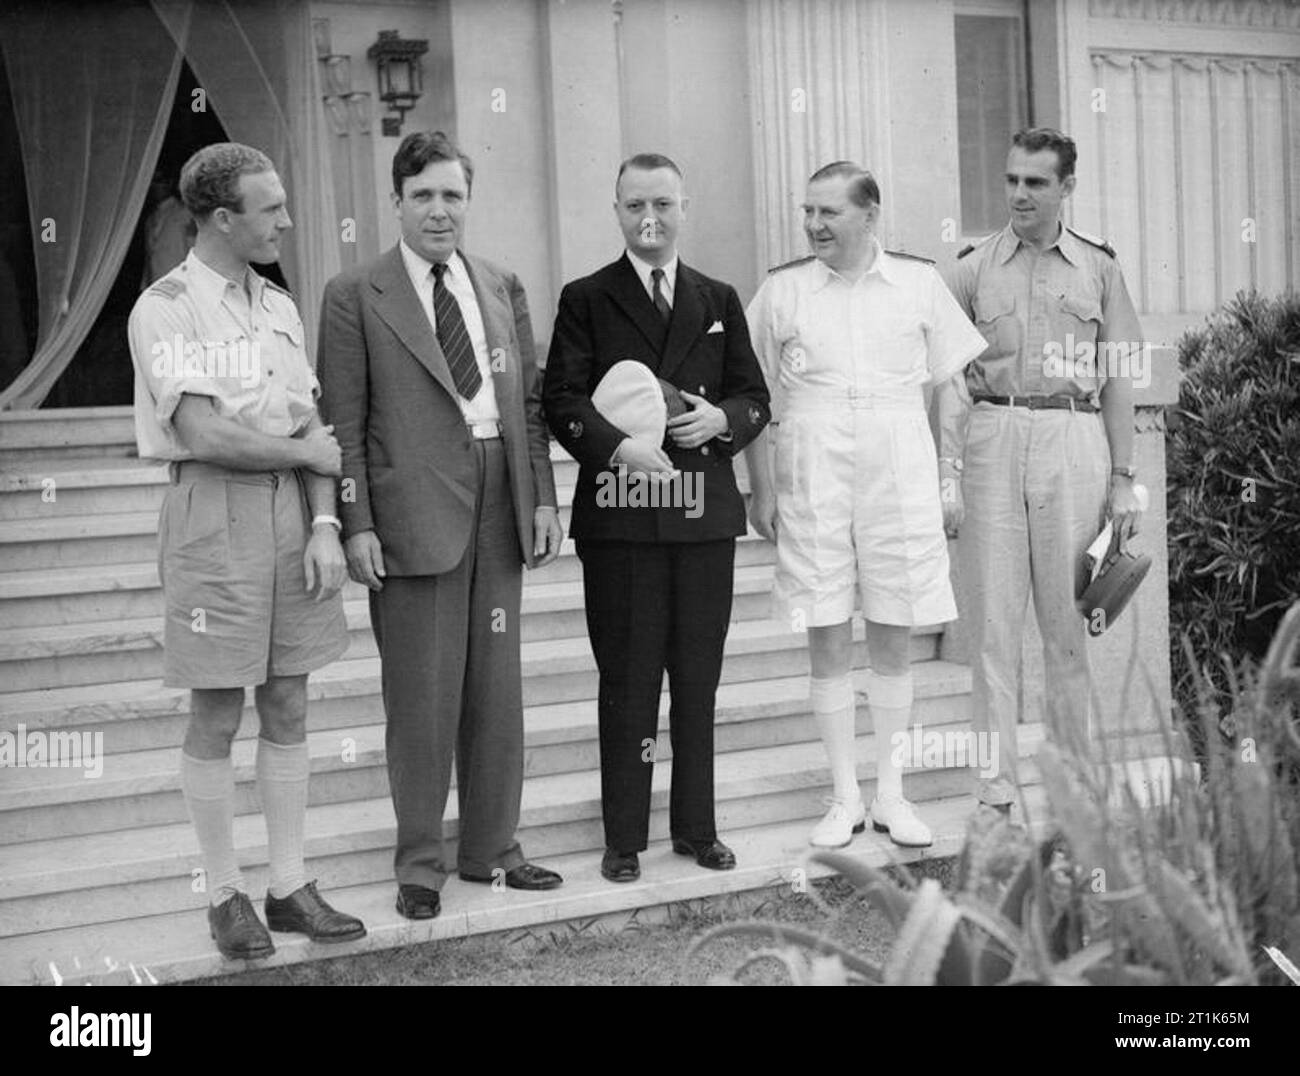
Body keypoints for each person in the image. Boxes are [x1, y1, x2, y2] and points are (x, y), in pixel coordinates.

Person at [317, 131, 564, 921]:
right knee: (421, 696)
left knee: (498, 690)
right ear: (396, 202)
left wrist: (544, 499)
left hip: (500, 497)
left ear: (468, 201)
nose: (439, 210)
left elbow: (526, 402)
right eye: (422, 195)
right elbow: (343, 419)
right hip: (410, 509)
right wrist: (354, 519)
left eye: (452, 194)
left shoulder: (499, 283)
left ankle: (494, 849)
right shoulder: (356, 292)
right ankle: (420, 864)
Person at [127, 142, 364, 960]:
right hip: (211, 512)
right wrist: (311, 463)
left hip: (293, 514)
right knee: (219, 707)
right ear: (222, 218)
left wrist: (327, 524)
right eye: (271, 209)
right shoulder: (166, 307)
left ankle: (290, 885)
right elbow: (203, 432)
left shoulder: (281, 307)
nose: (287, 222)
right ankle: (225, 894)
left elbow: (307, 425)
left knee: (291, 700)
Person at [745, 161, 987, 849]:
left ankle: (892, 793)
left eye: (830, 212)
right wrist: (759, 486)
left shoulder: (917, 282)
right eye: (808, 212)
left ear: (870, 215)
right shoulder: (784, 288)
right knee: (823, 620)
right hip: (813, 454)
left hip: (898, 456)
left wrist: (950, 477)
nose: (815, 225)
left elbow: (954, 391)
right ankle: (844, 796)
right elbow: (752, 395)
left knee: (893, 620)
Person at [543, 153, 770, 883]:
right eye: (636, 204)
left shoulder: (718, 297)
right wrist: (619, 450)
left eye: (663, 204)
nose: (650, 217)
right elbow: (562, 401)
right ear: (616, 211)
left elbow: (754, 396)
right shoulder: (586, 298)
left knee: (698, 678)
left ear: (684, 207)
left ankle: (697, 829)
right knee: (630, 679)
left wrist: (721, 420)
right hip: (625, 516)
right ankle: (624, 838)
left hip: (702, 514)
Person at [937, 127, 1145, 811]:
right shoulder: (970, 269)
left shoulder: (1099, 269)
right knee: (993, 631)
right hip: (993, 436)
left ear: (1066, 188)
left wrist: (1123, 479)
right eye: (1012, 180)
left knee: (1067, 628)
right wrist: (946, 471)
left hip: (1072, 438)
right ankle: (994, 792)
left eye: (1036, 182)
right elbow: (946, 381)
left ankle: (1071, 787)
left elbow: (1119, 379)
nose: (1020, 194)